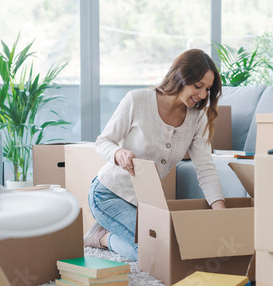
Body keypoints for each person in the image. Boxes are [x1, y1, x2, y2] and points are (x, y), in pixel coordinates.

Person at [85, 49, 226, 261]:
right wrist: (119, 153)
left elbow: (206, 168)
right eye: (198, 86)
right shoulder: (137, 100)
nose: (203, 95)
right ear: (180, 76)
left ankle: (110, 234)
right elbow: (103, 141)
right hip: (107, 194)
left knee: (167, 248)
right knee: (156, 252)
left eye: (207, 89)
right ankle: (102, 238)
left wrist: (222, 213)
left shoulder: (198, 119)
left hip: (144, 203)